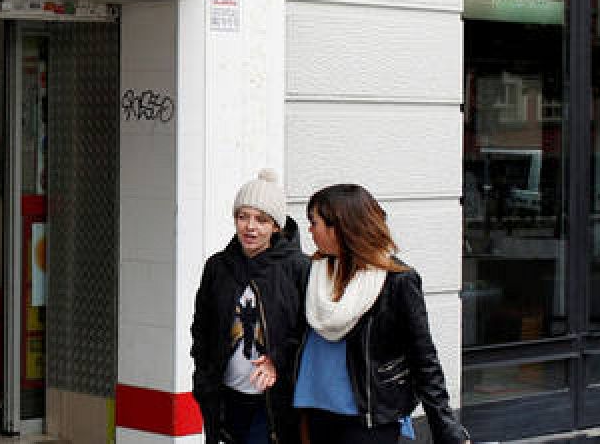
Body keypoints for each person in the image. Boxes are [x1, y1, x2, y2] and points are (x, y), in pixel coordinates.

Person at [295, 184, 470, 444]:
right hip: (316, 410)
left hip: (369, 416)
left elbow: (423, 358)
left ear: (340, 228)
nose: (309, 230)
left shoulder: (397, 281)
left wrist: (445, 427)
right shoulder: (314, 272)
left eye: (314, 222)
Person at [191, 169, 311, 444]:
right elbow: (202, 326)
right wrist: (204, 378)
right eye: (242, 216)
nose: (250, 227)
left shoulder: (298, 268)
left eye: (261, 220)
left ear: (276, 226)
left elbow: (307, 331)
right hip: (225, 395)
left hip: (273, 400)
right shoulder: (218, 266)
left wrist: (277, 360)